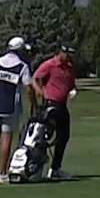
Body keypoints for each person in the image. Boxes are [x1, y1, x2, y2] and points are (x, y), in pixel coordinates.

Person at [0, 37, 34, 184]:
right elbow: (29, 88)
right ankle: (2, 174)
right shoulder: (22, 66)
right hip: (10, 107)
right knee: (6, 139)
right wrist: (33, 105)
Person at [30, 44, 79, 180]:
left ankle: (55, 168)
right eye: (66, 54)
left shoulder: (69, 68)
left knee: (63, 136)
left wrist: (73, 91)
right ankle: (37, 168)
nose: (68, 57)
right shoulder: (50, 64)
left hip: (62, 105)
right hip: (50, 104)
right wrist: (39, 90)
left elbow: (70, 85)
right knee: (44, 137)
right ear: (60, 52)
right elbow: (35, 78)